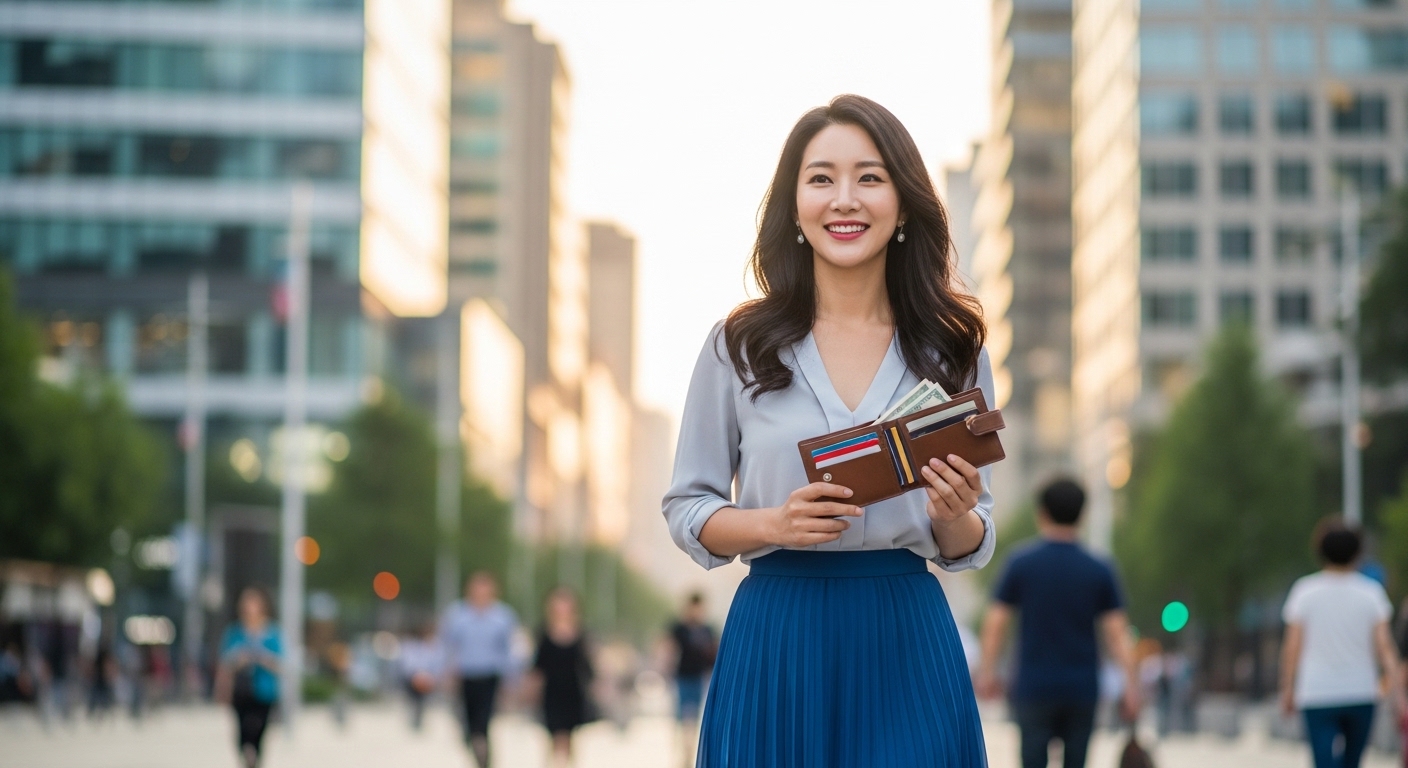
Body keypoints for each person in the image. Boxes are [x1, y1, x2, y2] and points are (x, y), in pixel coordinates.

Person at [663, 94, 995, 767]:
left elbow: (973, 533)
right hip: (779, 633)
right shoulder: (739, 344)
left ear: (904, 204)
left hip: (906, 634)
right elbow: (687, 505)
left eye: (870, 178)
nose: (845, 198)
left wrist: (955, 514)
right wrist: (771, 526)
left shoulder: (951, 347)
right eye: (821, 179)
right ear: (793, 206)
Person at [975, 479, 1140, 768]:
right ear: (1083, 515)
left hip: (1033, 686)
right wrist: (1131, 686)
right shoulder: (1099, 568)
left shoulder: (1021, 563)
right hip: (1082, 688)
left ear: (1042, 513)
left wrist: (988, 672)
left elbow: (996, 622)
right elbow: (1118, 634)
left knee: (1032, 761)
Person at [1279, 521, 1405, 768]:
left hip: (1317, 693)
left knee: (1323, 761)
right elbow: (1386, 649)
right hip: (1361, 692)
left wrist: (1287, 688)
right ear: (1358, 552)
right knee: (1352, 762)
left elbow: (1292, 648)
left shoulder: (1304, 591)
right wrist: (1397, 695)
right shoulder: (1371, 593)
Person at [440, 571, 518, 768]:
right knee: (467, 725)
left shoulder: (503, 616)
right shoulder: (457, 614)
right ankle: (479, 756)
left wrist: (511, 680)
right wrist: (444, 674)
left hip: (490, 676)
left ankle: (484, 762)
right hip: (465, 677)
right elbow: (447, 647)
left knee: (482, 725)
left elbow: (509, 650)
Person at [214, 587, 283, 768]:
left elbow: (281, 663)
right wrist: (239, 659)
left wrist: (263, 658)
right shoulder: (235, 632)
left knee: (259, 728)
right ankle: (247, 757)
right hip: (241, 690)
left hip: (264, 690)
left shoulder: (272, 633)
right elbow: (225, 662)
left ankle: (255, 759)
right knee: (242, 729)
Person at [531, 588, 595, 768]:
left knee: (568, 734)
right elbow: (538, 666)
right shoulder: (543, 633)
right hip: (551, 691)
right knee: (554, 733)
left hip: (573, 691)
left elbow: (587, 666)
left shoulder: (581, 633)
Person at [667, 592, 716, 766]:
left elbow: (712, 653)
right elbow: (669, 649)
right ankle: (683, 751)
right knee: (682, 717)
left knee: (692, 717)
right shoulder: (679, 629)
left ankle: (688, 752)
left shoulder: (706, 630)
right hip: (682, 677)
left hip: (698, 678)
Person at [398, 621, 444, 732]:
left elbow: (438, 663)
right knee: (413, 696)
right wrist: (417, 676)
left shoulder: (434, 645)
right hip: (413, 677)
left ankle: (420, 717)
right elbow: (406, 664)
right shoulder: (409, 645)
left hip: (428, 678)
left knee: (423, 696)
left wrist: (429, 676)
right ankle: (414, 716)